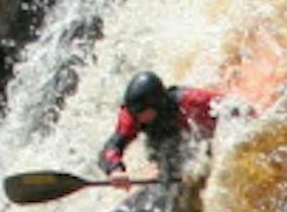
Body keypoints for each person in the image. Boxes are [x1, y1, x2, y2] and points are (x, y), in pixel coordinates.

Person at [97, 71, 249, 193]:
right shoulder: (132, 115)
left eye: (141, 112)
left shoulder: (191, 101)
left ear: (156, 104)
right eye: (134, 112)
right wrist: (115, 170)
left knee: (195, 161)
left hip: (199, 142)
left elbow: (236, 109)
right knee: (166, 162)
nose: (136, 117)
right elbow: (111, 147)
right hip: (165, 148)